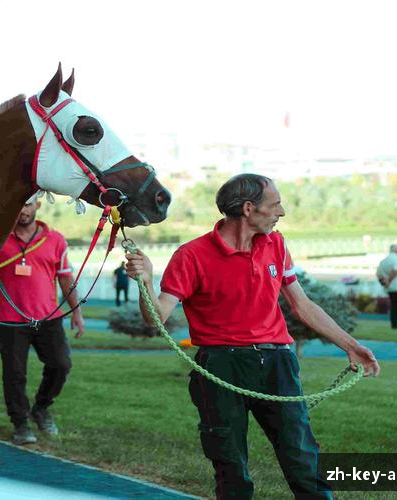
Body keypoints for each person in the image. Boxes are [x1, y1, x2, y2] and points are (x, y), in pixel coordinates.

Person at [125, 173, 380, 499]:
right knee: (230, 465)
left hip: (277, 362)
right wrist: (145, 280)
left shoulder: (276, 244)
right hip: (220, 367)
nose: (282, 212)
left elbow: (302, 305)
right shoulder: (191, 256)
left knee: (302, 457)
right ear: (248, 209)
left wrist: (352, 346)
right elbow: (155, 317)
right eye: (275, 205)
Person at [0, 199, 86, 445]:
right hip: (10, 320)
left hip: (48, 318)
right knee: (14, 374)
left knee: (61, 364)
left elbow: (66, 279)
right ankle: (20, 424)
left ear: (38, 205)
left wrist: (76, 312)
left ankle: (41, 408)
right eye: (19, 205)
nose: (23, 209)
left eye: (28, 204)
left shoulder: (56, 240)